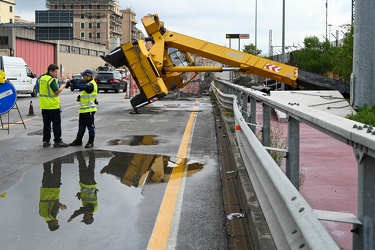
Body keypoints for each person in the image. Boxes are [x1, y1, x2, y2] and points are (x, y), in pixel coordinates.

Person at [38, 64, 68, 147]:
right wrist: (62, 86)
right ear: (50, 71)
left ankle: (46, 141)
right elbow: (57, 91)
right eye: (55, 72)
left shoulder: (42, 79)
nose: (56, 73)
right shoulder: (51, 80)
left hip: (44, 105)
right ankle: (57, 141)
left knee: (46, 124)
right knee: (56, 124)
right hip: (53, 106)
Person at [69, 69, 98, 148]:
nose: (83, 77)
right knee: (81, 126)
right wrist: (79, 97)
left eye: (84, 75)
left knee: (90, 126)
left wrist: (72, 80)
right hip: (83, 110)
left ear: (88, 76)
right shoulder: (88, 83)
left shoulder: (91, 85)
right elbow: (84, 92)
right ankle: (78, 140)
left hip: (89, 110)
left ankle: (90, 142)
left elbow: (81, 87)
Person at [68, 151, 98, 225]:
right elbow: (81, 210)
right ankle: (91, 152)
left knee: (82, 166)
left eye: (83, 218)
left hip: (84, 184)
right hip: (89, 184)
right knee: (90, 167)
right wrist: (73, 216)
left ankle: (79, 152)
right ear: (90, 217)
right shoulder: (92, 210)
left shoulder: (88, 210)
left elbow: (88, 198)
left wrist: (80, 194)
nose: (83, 217)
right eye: (85, 218)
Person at [39, 159, 67, 231]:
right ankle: (46, 155)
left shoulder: (52, 216)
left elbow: (57, 205)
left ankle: (58, 154)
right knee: (47, 170)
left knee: (57, 170)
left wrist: (63, 207)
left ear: (51, 224)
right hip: (45, 189)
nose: (57, 221)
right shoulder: (42, 215)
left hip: (53, 189)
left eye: (56, 223)